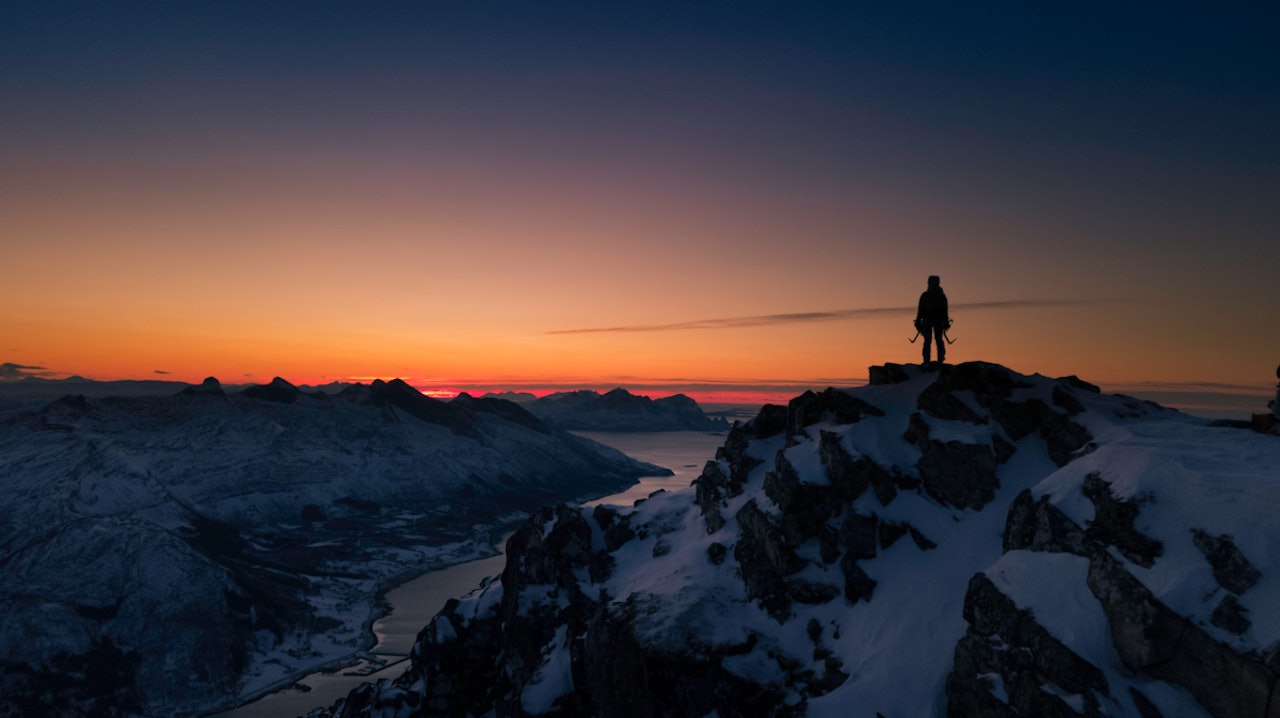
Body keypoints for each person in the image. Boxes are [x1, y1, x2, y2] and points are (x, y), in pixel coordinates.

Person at [915, 275, 950, 366]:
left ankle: (930, 361)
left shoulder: (926, 296)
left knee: (930, 340)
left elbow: (920, 309)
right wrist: (946, 321)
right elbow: (945, 310)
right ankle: (938, 360)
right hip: (935, 320)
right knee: (936, 340)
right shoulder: (940, 296)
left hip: (931, 320)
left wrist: (918, 321)